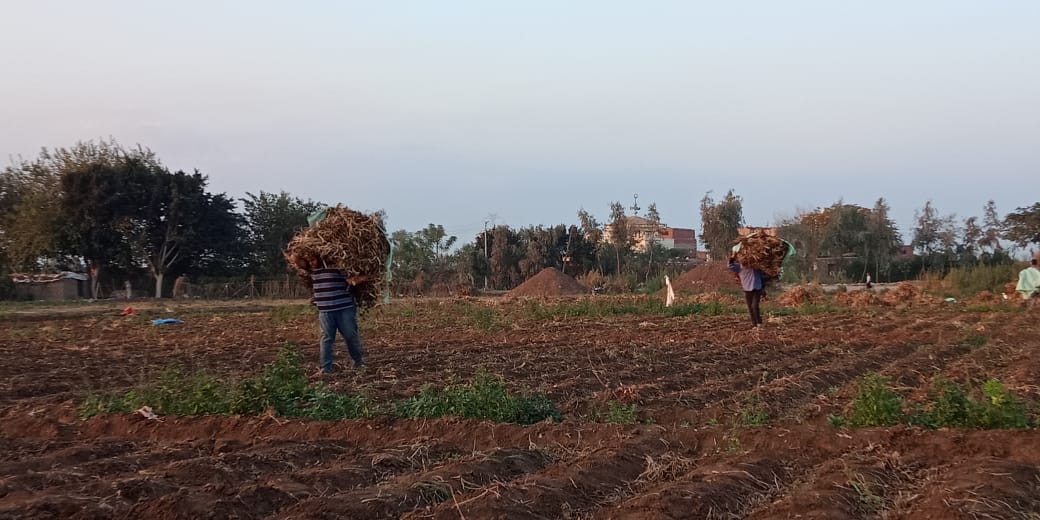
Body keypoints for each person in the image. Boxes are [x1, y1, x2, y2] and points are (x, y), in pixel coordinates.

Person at [306, 254, 366, 374]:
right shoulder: (312, 270)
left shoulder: (339, 266)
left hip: (345, 308)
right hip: (325, 311)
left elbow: (361, 276)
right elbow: (295, 258)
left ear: (320, 257)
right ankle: (326, 368)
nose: (311, 263)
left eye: (313, 260)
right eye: (309, 261)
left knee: (351, 336)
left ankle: (359, 363)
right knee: (326, 339)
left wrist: (355, 280)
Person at [729, 256, 765, 327]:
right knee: (750, 307)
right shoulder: (739, 267)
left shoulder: (756, 267)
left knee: (754, 306)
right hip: (747, 289)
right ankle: (754, 324)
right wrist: (732, 257)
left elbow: (764, 274)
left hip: (757, 288)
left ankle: (759, 322)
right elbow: (730, 265)